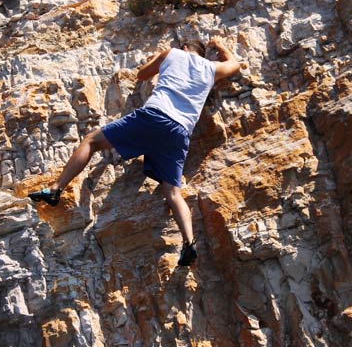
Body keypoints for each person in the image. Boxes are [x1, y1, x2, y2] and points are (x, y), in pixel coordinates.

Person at [29, 36, 240, 266]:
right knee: (172, 192)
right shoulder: (211, 68)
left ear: (185, 48)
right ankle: (189, 243)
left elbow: (142, 74)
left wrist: (159, 63)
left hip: (155, 116)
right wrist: (219, 45)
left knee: (91, 140)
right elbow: (235, 64)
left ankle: (56, 189)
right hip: (179, 132)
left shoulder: (172, 53)